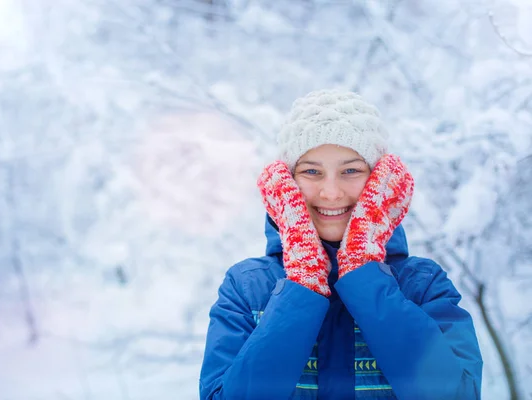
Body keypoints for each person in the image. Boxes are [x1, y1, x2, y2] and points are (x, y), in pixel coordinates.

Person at [199, 90, 483, 400]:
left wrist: (364, 274)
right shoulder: (247, 286)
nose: (331, 192)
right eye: (311, 171)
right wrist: (303, 283)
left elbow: (457, 395)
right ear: (286, 183)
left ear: (381, 181)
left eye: (350, 170)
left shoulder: (422, 285)